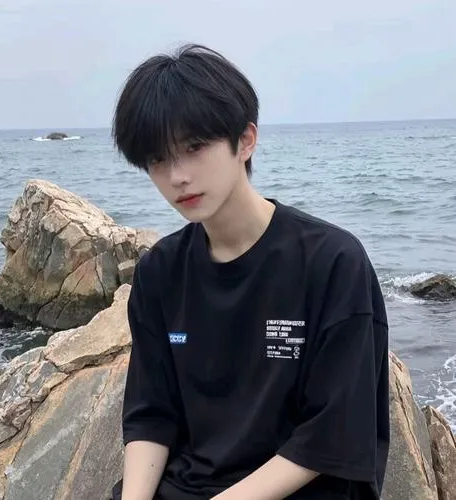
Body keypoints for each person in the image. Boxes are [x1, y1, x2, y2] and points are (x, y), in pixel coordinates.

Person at [111, 44, 390, 500]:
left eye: (194, 147)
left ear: (245, 140)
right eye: (158, 159)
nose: (177, 176)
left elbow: (332, 432)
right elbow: (151, 414)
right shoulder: (159, 271)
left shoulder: (333, 262)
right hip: (190, 485)